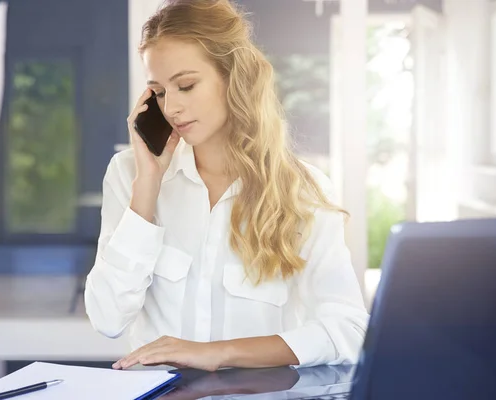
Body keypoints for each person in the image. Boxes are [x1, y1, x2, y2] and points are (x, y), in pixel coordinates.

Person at [84, 0, 368, 372]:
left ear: (234, 78)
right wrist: (147, 188)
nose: (171, 108)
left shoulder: (304, 190)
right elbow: (107, 319)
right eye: (159, 91)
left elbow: (349, 328)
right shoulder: (130, 175)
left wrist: (218, 353)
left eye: (186, 85)